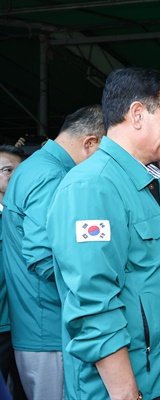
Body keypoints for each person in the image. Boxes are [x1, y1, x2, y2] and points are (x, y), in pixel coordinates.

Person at [46, 68, 160, 399]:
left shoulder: (146, 183)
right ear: (137, 114)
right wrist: (125, 393)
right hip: (136, 385)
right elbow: (93, 305)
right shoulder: (92, 187)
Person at [2, 105, 105, 400]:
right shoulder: (52, 175)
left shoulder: (36, 166)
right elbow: (43, 257)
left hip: (37, 323)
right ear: (91, 143)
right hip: (48, 328)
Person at [0, 145, 25, 400]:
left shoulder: (27, 216)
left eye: (19, 170)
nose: (15, 176)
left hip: (26, 322)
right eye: (8, 170)